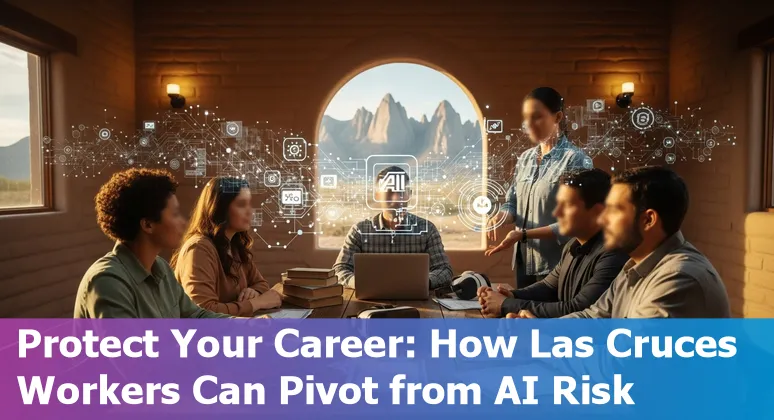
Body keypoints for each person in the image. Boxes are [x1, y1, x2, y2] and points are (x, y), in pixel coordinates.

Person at [511, 166, 730, 319]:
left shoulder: (678, 278)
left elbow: (624, 363)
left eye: (614, 210)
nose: (603, 219)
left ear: (648, 220)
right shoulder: (635, 266)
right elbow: (592, 317)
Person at [74, 168, 229, 318]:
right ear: (148, 225)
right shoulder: (108, 282)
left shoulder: (161, 268)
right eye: (175, 214)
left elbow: (194, 316)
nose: (183, 222)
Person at [478, 169, 628, 317]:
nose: (556, 213)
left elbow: (577, 309)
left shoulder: (613, 254)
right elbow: (548, 287)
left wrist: (504, 304)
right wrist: (511, 295)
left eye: (567, 205)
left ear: (597, 212)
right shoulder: (573, 245)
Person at [486, 87, 592, 289]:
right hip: (523, 261)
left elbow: (577, 221)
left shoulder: (576, 160)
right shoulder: (525, 159)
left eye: (538, 117)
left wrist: (524, 234)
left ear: (557, 116)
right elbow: (512, 202)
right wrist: (502, 216)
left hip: (557, 265)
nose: (530, 125)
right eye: (527, 118)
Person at [172, 177, 282, 316]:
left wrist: (254, 291)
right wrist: (256, 303)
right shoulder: (199, 249)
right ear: (220, 208)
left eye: (249, 204)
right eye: (241, 204)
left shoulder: (234, 246)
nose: (250, 211)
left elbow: (261, 284)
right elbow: (203, 311)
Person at [334, 166, 453, 289]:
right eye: (390, 191)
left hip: (416, 301)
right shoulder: (359, 231)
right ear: (378, 195)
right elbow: (340, 269)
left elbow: (444, 269)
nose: (397, 198)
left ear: (409, 194)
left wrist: (423, 283)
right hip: (370, 302)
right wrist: (361, 283)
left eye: (401, 192)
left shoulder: (427, 229)